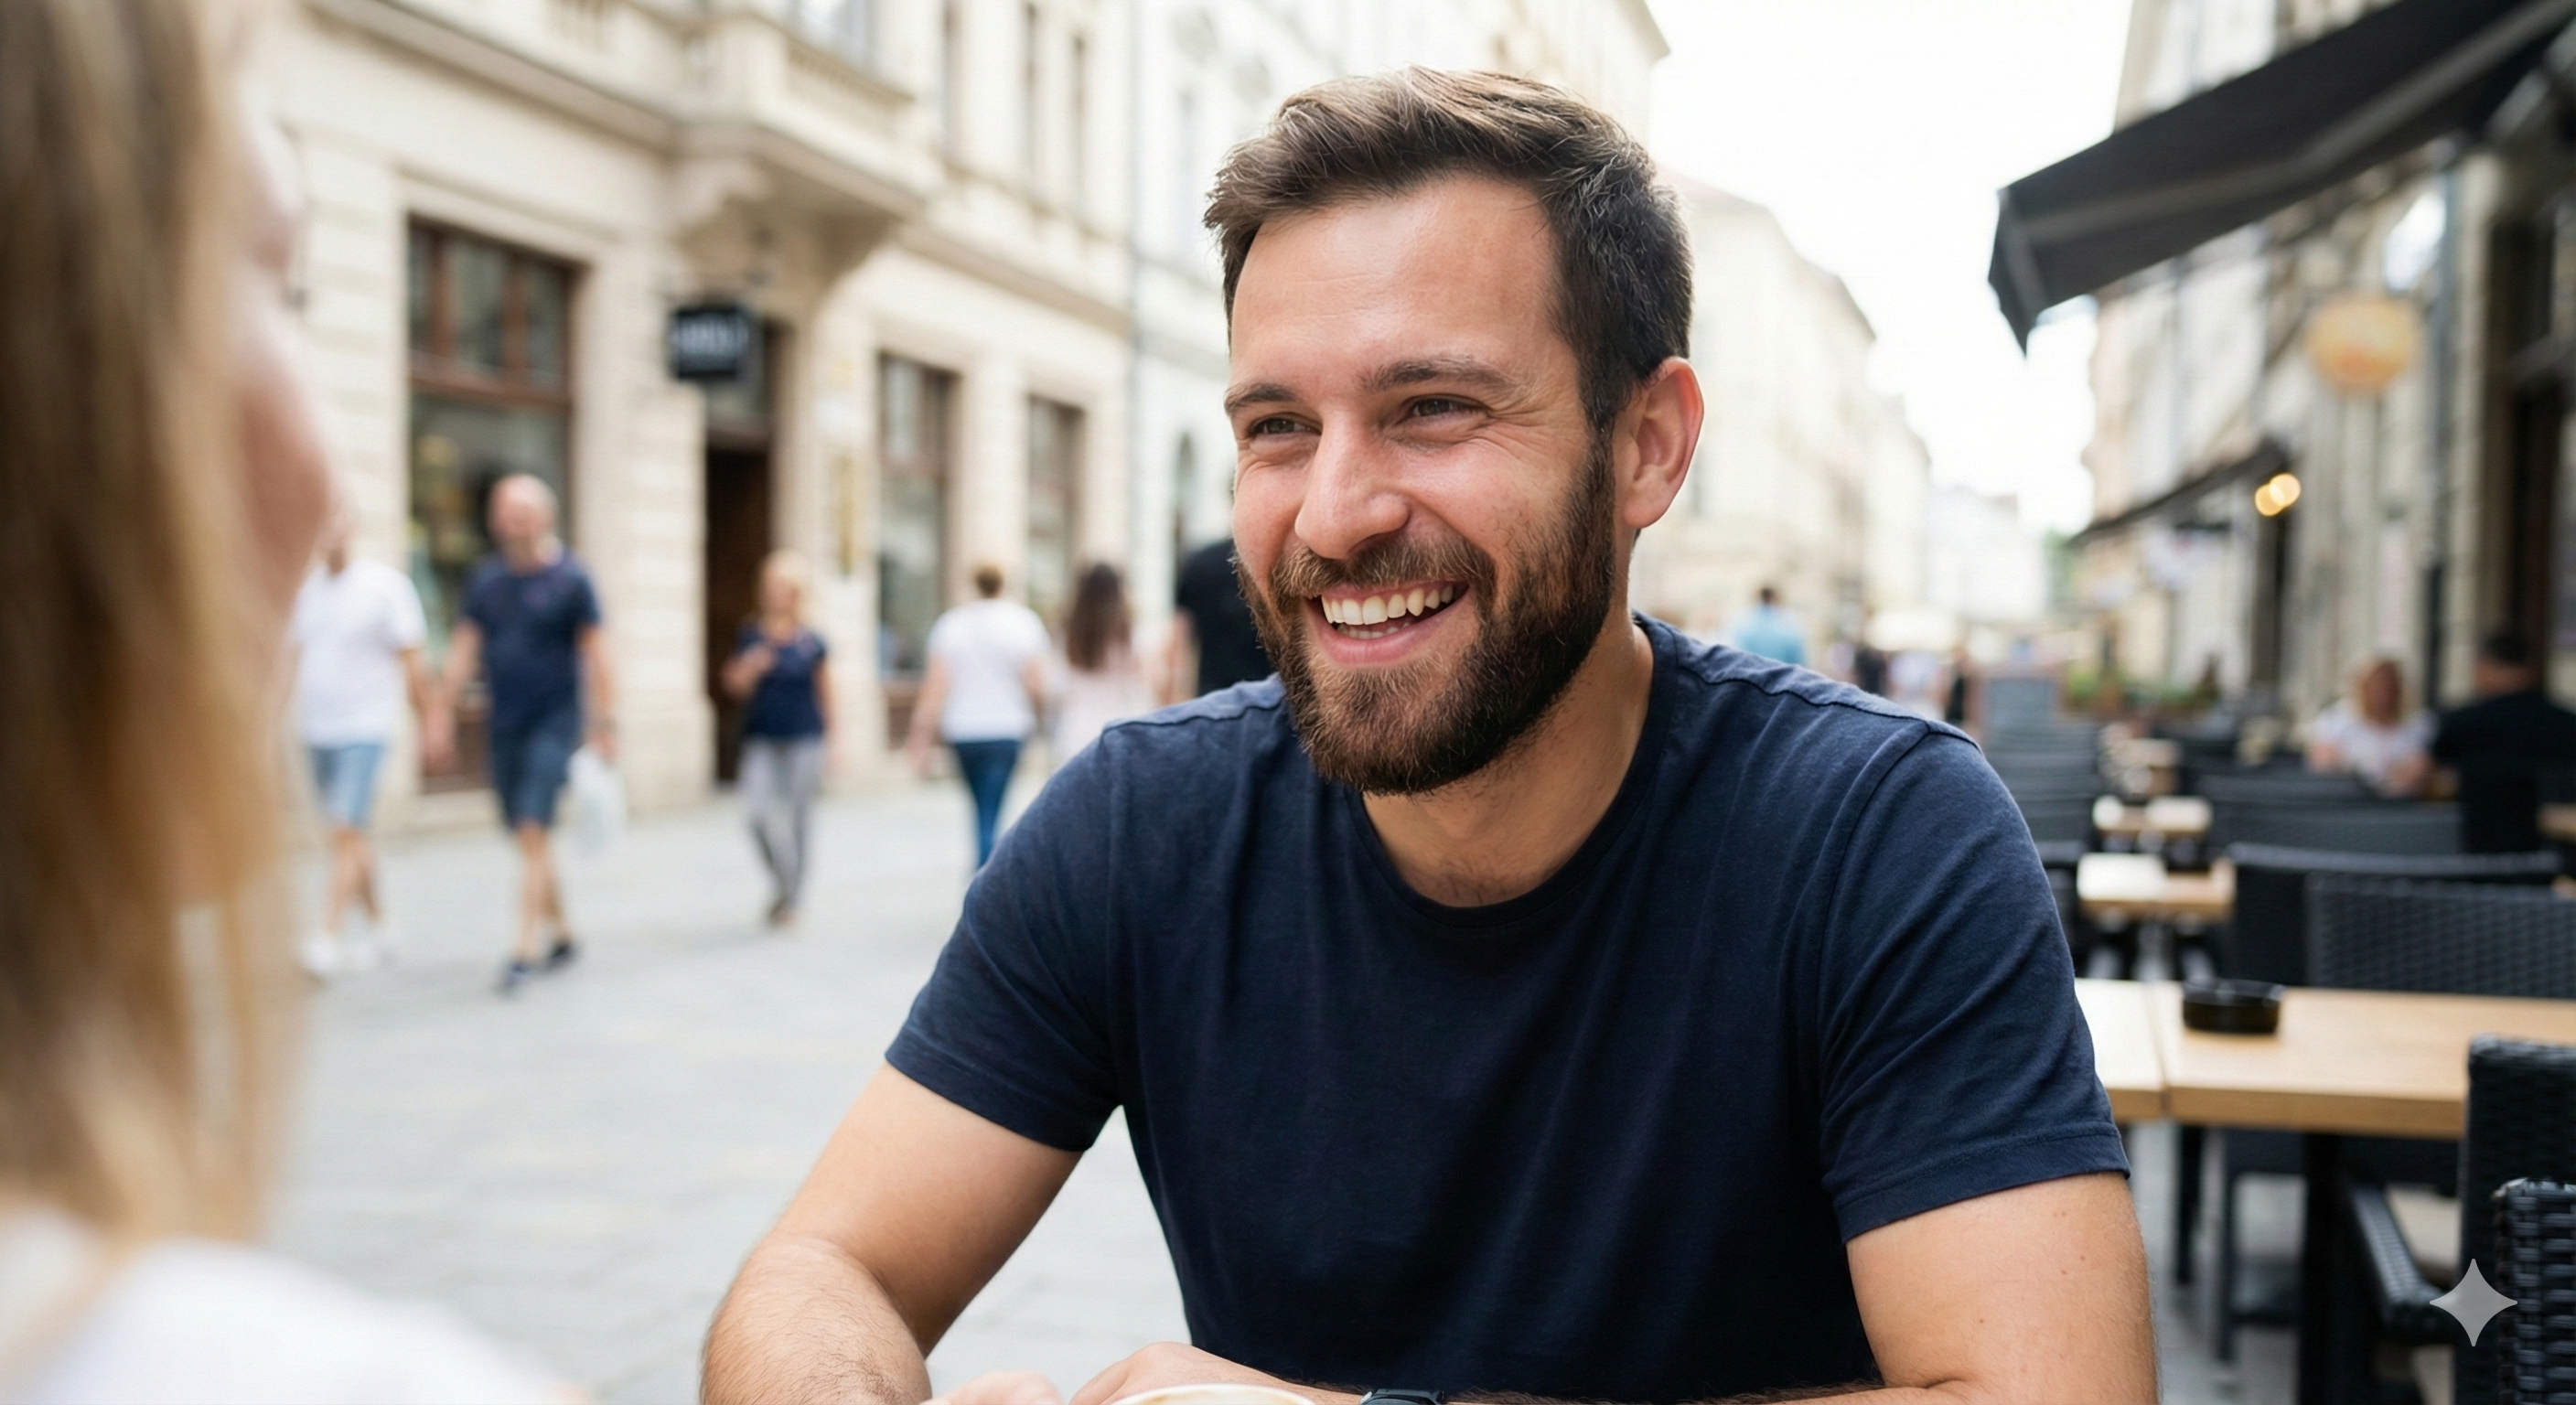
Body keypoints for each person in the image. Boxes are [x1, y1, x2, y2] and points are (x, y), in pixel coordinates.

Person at [707, 70, 2152, 1405]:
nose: (1333, 514)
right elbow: (819, 1273)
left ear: (1648, 444)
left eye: (1435, 408)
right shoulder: (1142, 827)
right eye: (1278, 428)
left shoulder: (1879, 835)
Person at [0, 1, 558, 1396]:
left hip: (454, 729)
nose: (325, 471)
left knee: (488, 826)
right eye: (256, 279)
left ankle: (504, 916)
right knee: (406, 826)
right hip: (373, 721)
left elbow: (480, 648)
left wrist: (449, 706)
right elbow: (452, 644)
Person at [424, 473, 617, 993]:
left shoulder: (573, 579)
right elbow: (464, 649)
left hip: (555, 722)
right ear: (494, 521)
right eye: (507, 512)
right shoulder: (487, 581)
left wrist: (605, 725)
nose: (517, 521)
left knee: (533, 827)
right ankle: (565, 932)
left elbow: (598, 655)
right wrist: (439, 714)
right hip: (504, 722)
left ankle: (523, 950)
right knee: (525, 834)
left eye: (525, 510)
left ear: (547, 515)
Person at [288, 505, 433, 975]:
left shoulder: (385, 587)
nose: (329, 537)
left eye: (336, 525)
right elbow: (293, 662)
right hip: (318, 729)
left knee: (343, 829)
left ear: (352, 529)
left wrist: (429, 721)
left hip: (365, 728)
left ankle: (326, 936)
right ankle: (382, 927)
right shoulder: (306, 592)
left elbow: (412, 659)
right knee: (351, 833)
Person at [904, 564, 1048, 867]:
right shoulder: (1021, 622)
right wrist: (1041, 719)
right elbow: (1035, 683)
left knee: (980, 806)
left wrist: (920, 737)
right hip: (1006, 728)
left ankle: (983, 870)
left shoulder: (952, 624)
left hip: (963, 729)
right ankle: (987, 876)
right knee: (991, 807)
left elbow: (935, 685)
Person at [723, 550, 835, 928]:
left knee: (799, 819)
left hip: (805, 738)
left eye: (783, 588)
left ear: (797, 593)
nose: (775, 595)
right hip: (762, 738)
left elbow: (826, 694)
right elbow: (732, 685)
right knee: (756, 817)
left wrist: (834, 744)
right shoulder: (752, 634)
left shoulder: (812, 641)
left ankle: (793, 899)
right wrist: (751, 666)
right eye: (770, 587)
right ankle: (782, 883)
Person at [2428, 630, 2576, 853]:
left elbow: (2425, 776)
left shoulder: (2465, 722)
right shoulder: (2566, 723)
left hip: (2482, 854)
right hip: (2557, 857)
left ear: (2484, 666)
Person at [1051, 562, 1155, 761]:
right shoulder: (1130, 631)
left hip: (1074, 728)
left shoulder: (1066, 630)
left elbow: (1057, 683)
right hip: (1121, 724)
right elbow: (1143, 680)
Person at [2306, 656, 2432, 797]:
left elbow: (2421, 766)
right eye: (2375, 683)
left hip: (2402, 804)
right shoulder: (2335, 719)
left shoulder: (2419, 723)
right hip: (2348, 801)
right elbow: (2323, 762)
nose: (2382, 690)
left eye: (2388, 683)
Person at [1166, 535, 1272, 699]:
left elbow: (1179, 640)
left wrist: (1175, 698)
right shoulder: (1273, 560)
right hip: (1272, 696)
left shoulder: (1200, 562)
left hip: (1211, 695)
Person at [1726, 584, 1806, 666]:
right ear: (1775, 598)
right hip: (1782, 676)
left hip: (1749, 676)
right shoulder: (1789, 626)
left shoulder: (1742, 625)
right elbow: (1799, 662)